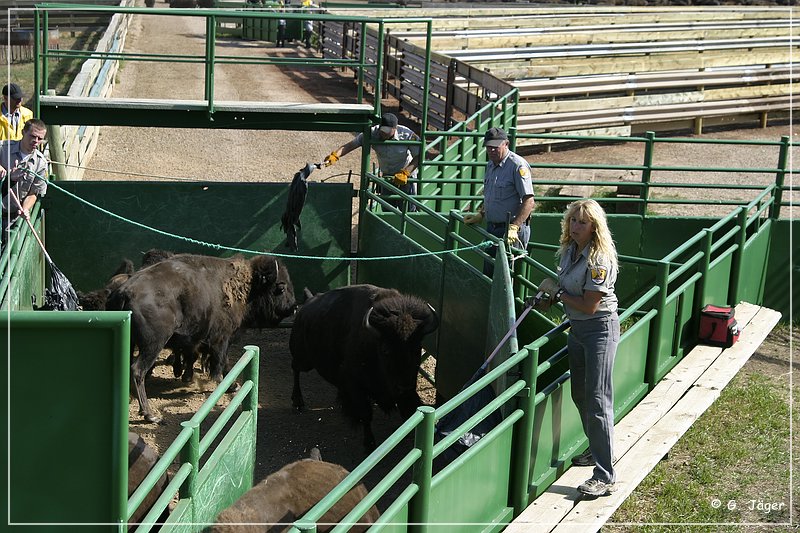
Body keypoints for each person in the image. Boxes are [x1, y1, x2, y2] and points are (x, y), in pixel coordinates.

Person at [536, 199, 619, 497]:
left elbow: (590, 303)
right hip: (578, 329)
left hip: (599, 329)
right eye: (573, 220)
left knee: (597, 400)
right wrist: (549, 297)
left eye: (582, 222)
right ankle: (596, 450)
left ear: (594, 227)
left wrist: (557, 295)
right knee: (579, 395)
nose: (575, 226)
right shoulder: (569, 251)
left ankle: (605, 475)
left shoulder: (598, 259)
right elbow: (570, 295)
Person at [464, 127, 534, 276]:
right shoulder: (490, 165)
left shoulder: (517, 166)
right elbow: (492, 195)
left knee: (506, 275)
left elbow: (529, 201)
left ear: (506, 144)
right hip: (493, 227)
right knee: (490, 273)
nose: (492, 150)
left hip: (511, 231)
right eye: (489, 147)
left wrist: (514, 227)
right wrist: (481, 214)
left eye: (495, 147)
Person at [323, 112, 421, 210]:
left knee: (408, 210)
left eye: (387, 132)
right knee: (386, 210)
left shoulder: (406, 134)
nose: (383, 134)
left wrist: (406, 172)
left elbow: (419, 155)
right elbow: (351, 145)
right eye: (382, 130)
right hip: (387, 178)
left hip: (406, 179)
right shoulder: (373, 132)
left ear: (395, 129)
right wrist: (336, 155)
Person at [1, 119, 49, 247]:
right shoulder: (3, 149)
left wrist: (26, 209)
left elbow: (33, 193)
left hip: (13, 218)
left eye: (40, 139)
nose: (36, 141)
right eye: (32, 136)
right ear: (23, 132)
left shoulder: (41, 163)